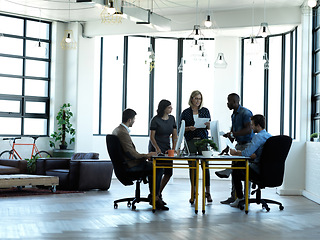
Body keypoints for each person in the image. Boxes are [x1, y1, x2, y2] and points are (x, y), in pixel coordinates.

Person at [112, 108, 169, 210]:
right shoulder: (123, 133)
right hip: (130, 166)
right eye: (134, 119)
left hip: (123, 165)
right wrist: (147, 155)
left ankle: (153, 196)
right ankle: (155, 198)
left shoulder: (117, 130)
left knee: (152, 167)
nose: (134, 121)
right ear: (130, 120)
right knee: (158, 167)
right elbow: (132, 154)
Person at [215, 93, 254, 204]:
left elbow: (248, 130)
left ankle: (246, 198)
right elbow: (233, 133)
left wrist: (233, 134)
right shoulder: (234, 115)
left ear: (235, 102)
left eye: (229, 101)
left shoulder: (245, 113)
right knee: (235, 169)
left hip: (247, 144)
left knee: (244, 171)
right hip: (238, 144)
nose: (227, 103)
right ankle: (235, 196)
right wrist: (227, 148)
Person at [228, 114, 272, 207]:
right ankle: (227, 171)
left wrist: (236, 153)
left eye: (252, 125)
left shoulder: (258, 137)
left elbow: (246, 154)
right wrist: (241, 152)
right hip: (267, 169)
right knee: (239, 166)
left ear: (258, 126)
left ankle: (240, 198)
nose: (251, 127)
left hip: (257, 169)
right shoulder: (269, 136)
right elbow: (257, 154)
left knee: (235, 171)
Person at [180, 90, 212, 202]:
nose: (198, 101)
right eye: (196, 98)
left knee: (206, 166)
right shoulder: (185, 112)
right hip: (191, 141)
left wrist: (209, 125)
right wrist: (189, 128)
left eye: (200, 99)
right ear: (191, 99)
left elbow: (209, 127)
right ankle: (193, 193)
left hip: (203, 140)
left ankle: (208, 192)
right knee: (193, 167)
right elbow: (181, 129)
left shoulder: (205, 111)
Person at [149, 100, 177, 204]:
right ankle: (155, 196)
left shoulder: (172, 119)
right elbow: (152, 137)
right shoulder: (155, 120)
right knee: (158, 172)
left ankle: (157, 193)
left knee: (169, 172)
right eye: (169, 107)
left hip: (167, 146)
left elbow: (174, 135)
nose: (171, 109)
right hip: (156, 146)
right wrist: (157, 148)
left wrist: (173, 148)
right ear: (164, 108)